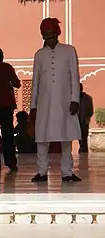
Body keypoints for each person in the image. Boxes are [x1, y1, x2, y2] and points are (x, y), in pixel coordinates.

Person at [30, 18, 82, 182]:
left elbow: (75, 76)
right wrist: (33, 105)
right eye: (46, 36)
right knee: (42, 138)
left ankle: (67, 172)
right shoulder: (39, 55)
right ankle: (42, 172)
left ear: (57, 34)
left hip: (65, 102)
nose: (49, 39)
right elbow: (35, 81)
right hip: (44, 104)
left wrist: (75, 100)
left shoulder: (69, 51)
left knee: (66, 137)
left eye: (51, 36)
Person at [78, 83, 94, 153]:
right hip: (75, 122)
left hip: (84, 122)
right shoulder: (73, 98)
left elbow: (91, 111)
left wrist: (87, 118)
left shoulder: (88, 98)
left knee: (84, 140)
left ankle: (83, 153)